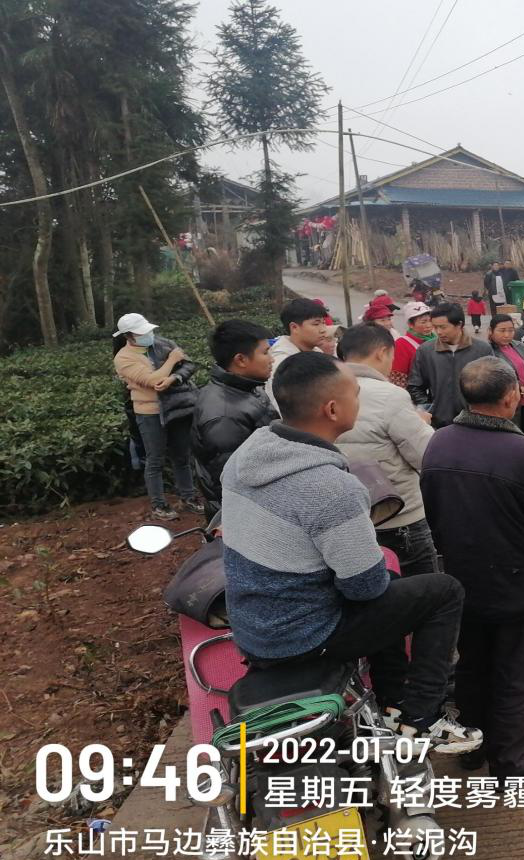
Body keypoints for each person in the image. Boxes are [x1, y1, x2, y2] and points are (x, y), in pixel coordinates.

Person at [220, 351, 482, 750]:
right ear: (332, 409)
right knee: (443, 591)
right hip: (305, 636)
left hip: (255, 627)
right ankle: (423, 717)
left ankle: (393, 702)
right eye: (356, 393)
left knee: (390, 587)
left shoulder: (245, 458)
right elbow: (364, 589)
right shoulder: (331, 488)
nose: (360, 400)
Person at [421, 356, 524, 779]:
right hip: (518, 586)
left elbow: (433, 513)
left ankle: (473, 746)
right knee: (520, 675)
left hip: (462, 580)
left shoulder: (439, 443)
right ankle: (510, 762)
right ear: (510, 397)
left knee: (473, 666)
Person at [335, 324, 439, 577]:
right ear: (382, 352)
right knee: (421, 588)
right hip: (399, 514)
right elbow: (426, 455)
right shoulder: (389, 395)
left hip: (348, 516)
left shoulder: (322, 389)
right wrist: (422, 424)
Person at [112, 312, 202, 520]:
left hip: (177, 408)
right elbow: (153, 381)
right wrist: (172, 361)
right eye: (142, 333)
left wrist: (174, 378)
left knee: (182, 456)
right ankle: (159, 504)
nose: (149, 335)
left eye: (148, 331)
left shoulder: (162, 343)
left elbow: (188, 364)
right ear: (128, 336)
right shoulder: (123, 358)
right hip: (150, 413)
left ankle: (188, 497)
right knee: (155, 460)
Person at [191, 320, 277, 514]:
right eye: (265, 353)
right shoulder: (223, 415)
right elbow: (234, 480)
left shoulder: (249, 388)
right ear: (241, 360)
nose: (271, 359)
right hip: (245, 513)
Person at [407, 303, 493, 428]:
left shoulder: (482, 350)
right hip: (439, 424)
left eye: (443, 327)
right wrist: (430, 408)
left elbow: (493, 385)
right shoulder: (426, 351)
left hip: (475, 423)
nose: (438, 332)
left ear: (459, 325)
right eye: (435, 327)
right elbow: (415, 386)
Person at [267, 297, 331, 409]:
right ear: (294, 327)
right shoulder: (282, 362)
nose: (323, 329)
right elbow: (281, 406)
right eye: (316, 324)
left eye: (323, 323)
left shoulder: (317, 352)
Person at [488, 314, 524, 438]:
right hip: (507, 407)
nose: (507, 335)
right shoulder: (488, 351)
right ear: (491, 331)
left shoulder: (519, 346)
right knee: (512, 440)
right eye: (502, 330)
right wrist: (514, 387)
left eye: (511, 330)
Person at [391, 301, 435, 389]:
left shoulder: (437, 340)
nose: (429, 325)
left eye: (430, 321)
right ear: (410, 324)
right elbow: (398, 379)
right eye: (423, 322)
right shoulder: (402, 344)